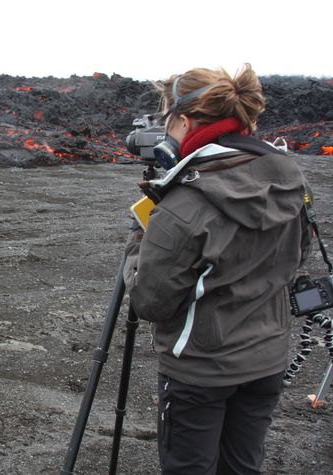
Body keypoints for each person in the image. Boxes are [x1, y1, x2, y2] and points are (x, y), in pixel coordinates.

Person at [127, 64, 312, 474]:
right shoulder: (287, 179)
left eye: (167, 121)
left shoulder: (184, 201)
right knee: (242, 466)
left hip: (202, 370)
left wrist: (137, 246)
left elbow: (152, 301)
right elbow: (297, 258)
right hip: (266, 361)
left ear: (185, 120)